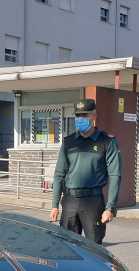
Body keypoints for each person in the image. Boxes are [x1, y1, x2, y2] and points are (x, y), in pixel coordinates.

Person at [49, 98, 122, 245]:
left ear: (94, 116)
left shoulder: (107, 142)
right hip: (70, 201)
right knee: (67, 248)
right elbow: (59, 174)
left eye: (85, 115)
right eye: (78, 116)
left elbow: (115, 176)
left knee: (94, 249)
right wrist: (54, 204)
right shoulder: (69, 142)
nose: (80, 119)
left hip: (93, 202)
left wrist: (110, 208)